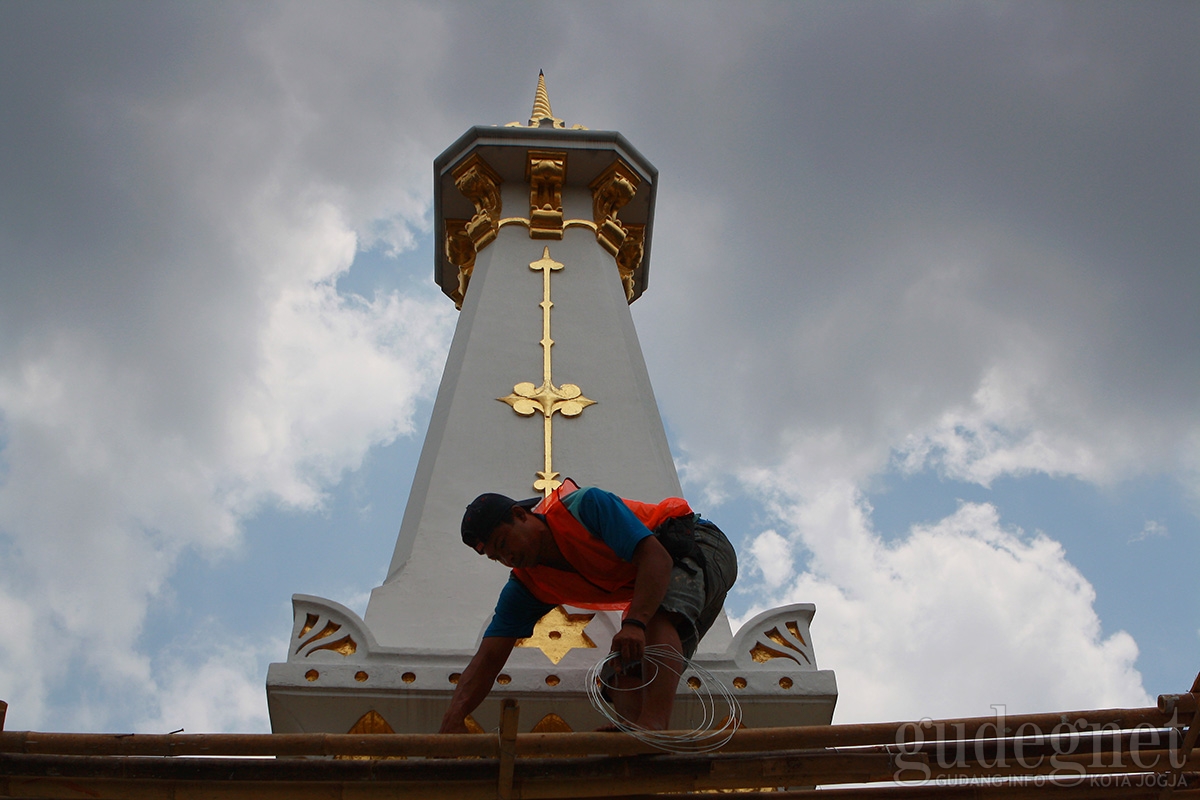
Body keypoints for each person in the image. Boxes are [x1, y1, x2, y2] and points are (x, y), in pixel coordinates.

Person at [438, 479, 737, 733]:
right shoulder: (526, 585)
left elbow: (656, 558)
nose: (507, 559)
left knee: (654, 622)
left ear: (519, 514)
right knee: (621, 667)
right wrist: (454, 716)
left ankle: (651, 730)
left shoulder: (584, 507)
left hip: (696, 543)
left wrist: (634, 623)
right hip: (657, 576)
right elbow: (489, 658)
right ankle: (634, 737)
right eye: (496, 557)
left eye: (503, 544)